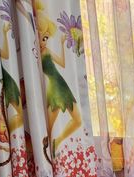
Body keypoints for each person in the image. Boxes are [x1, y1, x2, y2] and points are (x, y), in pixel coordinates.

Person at [36, 1, 82, 157]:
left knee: (77, 121)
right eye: (41, 37)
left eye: (45, 38)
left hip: (62, 85)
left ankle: (58, 141)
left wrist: (62, 44)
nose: (44, 41)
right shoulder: (36, 55)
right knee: (50, 127)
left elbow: (62, 63)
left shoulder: (47, 50)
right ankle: (48, 153)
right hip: (54, 89)